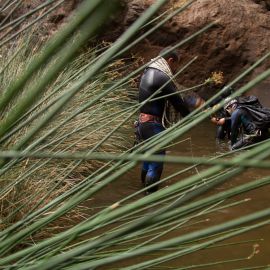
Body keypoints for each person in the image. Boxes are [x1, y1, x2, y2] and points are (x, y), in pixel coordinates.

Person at [136, 47, 190, 194]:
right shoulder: (161, 76)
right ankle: (150, 202)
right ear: (170, 60)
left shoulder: (147, 72)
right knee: (156, 164)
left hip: (142, 124)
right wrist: (190, 118)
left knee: (147, 161)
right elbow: (178, 102)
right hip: (153, 126)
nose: (174, 69)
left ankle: (140, 196)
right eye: (175, 65)